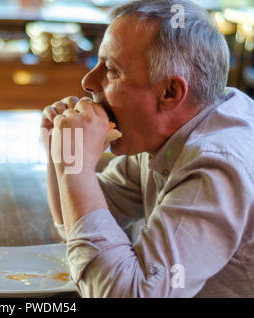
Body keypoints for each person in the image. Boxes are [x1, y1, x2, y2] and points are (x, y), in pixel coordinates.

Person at [41, 0, 254, 298]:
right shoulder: (165, 135)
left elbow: (130, 293)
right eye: (97, 64)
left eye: (111, 70)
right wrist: (61, 149)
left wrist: (74, 167)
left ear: (169, 92)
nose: (88, 82)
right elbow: (77, 228)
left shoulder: (216, 167)